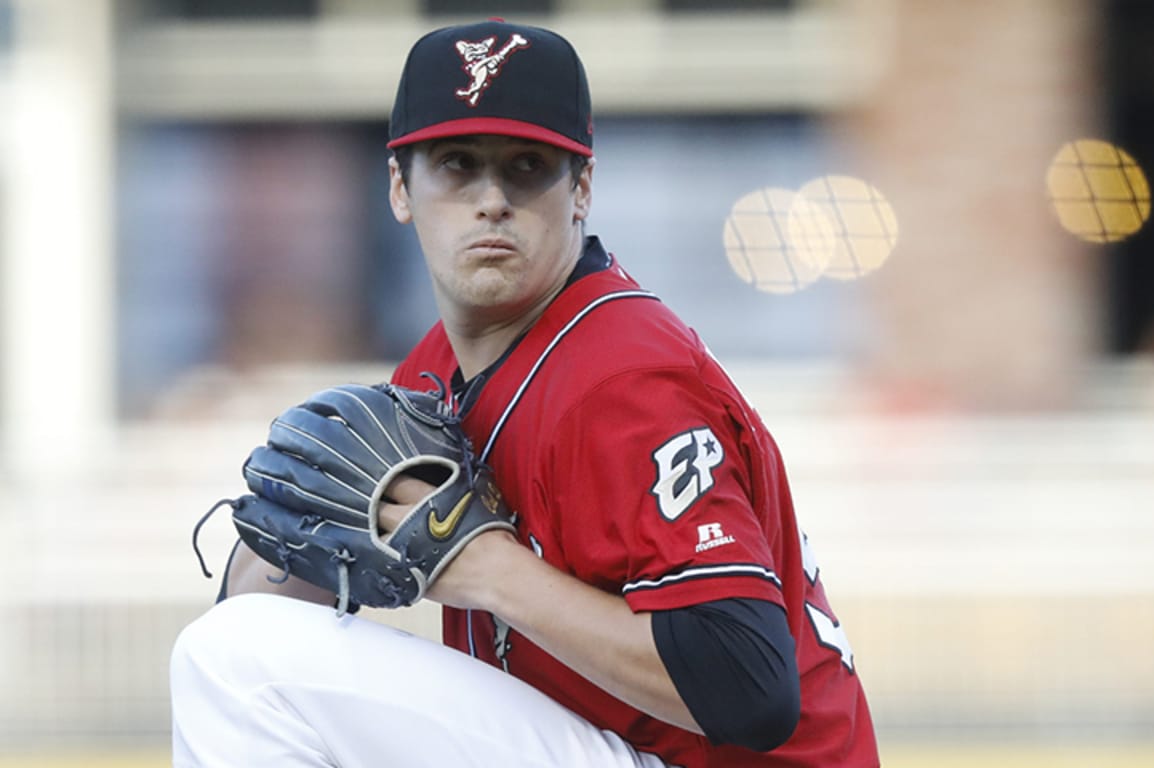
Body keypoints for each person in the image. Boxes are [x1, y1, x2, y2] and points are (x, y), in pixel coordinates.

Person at [170, 19, 879, 768]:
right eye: (457, 165)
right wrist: (286, 546)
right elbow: (262, 628)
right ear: (399, 189)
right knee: (233, 650)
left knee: (233, 659)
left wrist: (485, 568)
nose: (492, 199)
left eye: (527, 167)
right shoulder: (433, 374)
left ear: (581, 189)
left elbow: (751, 692)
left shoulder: (626, 377)